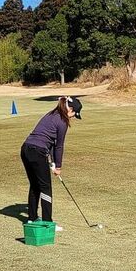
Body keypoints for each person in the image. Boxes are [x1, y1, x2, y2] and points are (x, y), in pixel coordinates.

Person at [21, 96, 83, 230]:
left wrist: (52, 162)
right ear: (70, 109)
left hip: (26, 149)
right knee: (45, 188)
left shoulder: (52, 114)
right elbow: (59, 145)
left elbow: (51, 142)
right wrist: (58, 166)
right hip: (37, 152)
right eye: (74, 114)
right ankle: (48, 223)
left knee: (35, 185)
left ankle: (31, 218)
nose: (72, 117)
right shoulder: (62, 122)